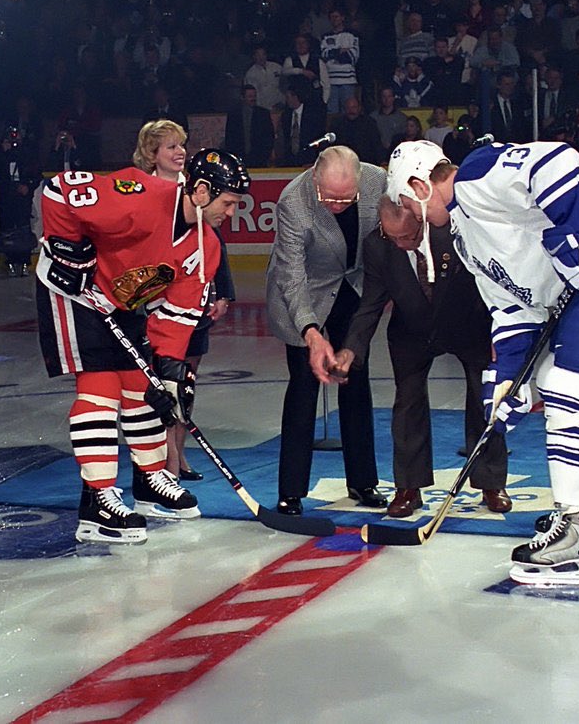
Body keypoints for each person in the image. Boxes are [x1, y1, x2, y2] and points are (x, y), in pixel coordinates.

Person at [385, 139, 579, 585]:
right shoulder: (464, 236)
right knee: (545, 379)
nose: (405, 207)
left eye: (404, 197)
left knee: (565, 385)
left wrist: (570, 238)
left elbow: (557, 160)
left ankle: (578, 530)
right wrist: (507, 383)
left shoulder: (477, 176)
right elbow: (512, 308)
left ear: (419, 184)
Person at [35, 148, 249, 544]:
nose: (232, 212)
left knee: (143, 385)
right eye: (229, 202)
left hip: (124, 299)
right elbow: (58, 191)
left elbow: (177, 318)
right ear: (201, 191)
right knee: (100, 388)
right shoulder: (139, 196)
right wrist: (69, 250)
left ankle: (151, 479)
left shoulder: (207, 248)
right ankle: (96, 502)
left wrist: (169, 374)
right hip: (75, 293)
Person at [333, 199, 511, 517]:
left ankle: (491, 483)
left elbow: (492, 283)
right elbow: (371, 302)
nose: (402, 244)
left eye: (408, 237)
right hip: (411, 331)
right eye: (394, 238)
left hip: (468, 324)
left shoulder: (453, 233)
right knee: (407, 404)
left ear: (420, 220)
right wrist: (351, 348)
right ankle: (408, 488)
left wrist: (500, 333)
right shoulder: (377, 244)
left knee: (485, 401)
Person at [266, 145, 387, 516]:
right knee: (304, 386)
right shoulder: (294, 201)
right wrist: (311, 332)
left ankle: (363, 481)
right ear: (315, 176)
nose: (336, 205)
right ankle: (291, 491)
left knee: (356, 379)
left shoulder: (378, 182)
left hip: (353, 286)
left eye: (345, 199)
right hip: (307, 291)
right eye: (328, 198)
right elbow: (291, 276)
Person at [133, 119, 236, 483]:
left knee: (185, 383)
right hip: (156, 305)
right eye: (171, 146)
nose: (180, 153)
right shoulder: (143, 192)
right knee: (161, 383)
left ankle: (179, 455)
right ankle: (164, 462)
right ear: (152, 153)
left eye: (182, 145)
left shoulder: (194, 189)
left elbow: (213, 243)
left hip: (193, 301)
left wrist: (223, 291)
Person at [0, 126, 41, 276]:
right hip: (5, 199)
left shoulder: (27, 155)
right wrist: (2, 152)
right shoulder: (0, 155)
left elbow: (37, 174)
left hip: (22, 200)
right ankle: (10, 262)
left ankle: (25, 262)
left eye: (16, 138)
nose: (14, 142)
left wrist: (28, 186)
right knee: (7, 232)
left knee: (23, 231)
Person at [224, 85, 274, 168]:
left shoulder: (263, 114)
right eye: (250, 96)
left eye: (254, 96)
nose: (253, 99)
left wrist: (265, 155)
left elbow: (269, 136)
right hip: (239, 158)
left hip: (259, 158)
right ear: (242, 97)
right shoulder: (234, 114)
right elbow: (230, 137)